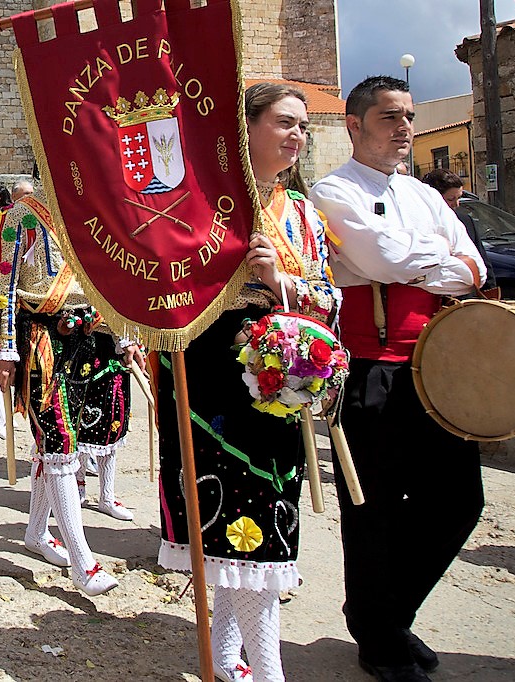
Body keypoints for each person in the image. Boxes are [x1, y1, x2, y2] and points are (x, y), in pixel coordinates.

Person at [156, 83, 340, 681]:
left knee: (268, 520)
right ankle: (266, 670)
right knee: (237, 526)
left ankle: (235, 655)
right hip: (212, 373)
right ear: (247, 126)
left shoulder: (305, 212)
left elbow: (329, 296)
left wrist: (281, 284)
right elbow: (169, 286)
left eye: (304, 127)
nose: (297, 136)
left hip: (279, 375)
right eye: (285, 122)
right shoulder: (201, 203)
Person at [310, 76, 487, 682]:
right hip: (371, 371)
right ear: (355, 125)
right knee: (374, 508)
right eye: (389, 117)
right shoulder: (332, 191)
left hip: (438, 371)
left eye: (408, 116)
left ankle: (380, 613)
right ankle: (381, 640)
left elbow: (475, 266)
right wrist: (437, 261)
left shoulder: (425, 195)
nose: (405, 128)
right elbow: (382, 259)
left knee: (461, 501)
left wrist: (427, 261)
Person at [0, 190, 143, 596]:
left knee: (61, 444)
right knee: (60, 443)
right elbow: (3, 280)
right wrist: (2, 345)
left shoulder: (100, 210)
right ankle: (83, 561)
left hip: (89, 338)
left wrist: (125, 337)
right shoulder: (24, 214)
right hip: (41, 339)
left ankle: (36, 532)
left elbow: (114, 278)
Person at [420, 168, 496, 292]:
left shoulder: (465, 220)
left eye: (459, 198)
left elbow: (482, 260)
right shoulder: (421, 224)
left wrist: (489, 295)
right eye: (451, 199)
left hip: (467, 297)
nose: (456, 204)